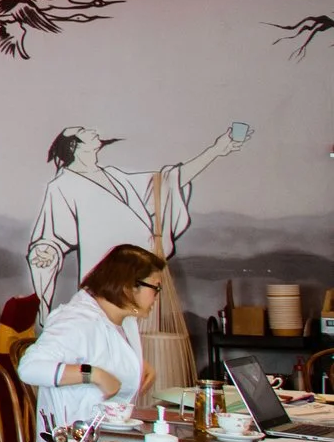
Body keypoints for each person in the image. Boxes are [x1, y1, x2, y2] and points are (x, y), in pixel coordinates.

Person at [27, 125, 246, 307]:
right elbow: (51, 237)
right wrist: (45, 253)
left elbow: (168, 182)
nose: (92, 130)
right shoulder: (63, 185)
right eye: (83, 130)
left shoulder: (115, 176)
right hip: (105, 281)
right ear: (74, 145)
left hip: (142, 276)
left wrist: (216, 150)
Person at [17, 243, 164, 429]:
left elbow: (104, 351)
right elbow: (30, 368)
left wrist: (136, 362)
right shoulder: (76, 321)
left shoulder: (125, 320)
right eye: (156, 288)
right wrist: (93, 374)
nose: (157, 297)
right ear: (129, 286)